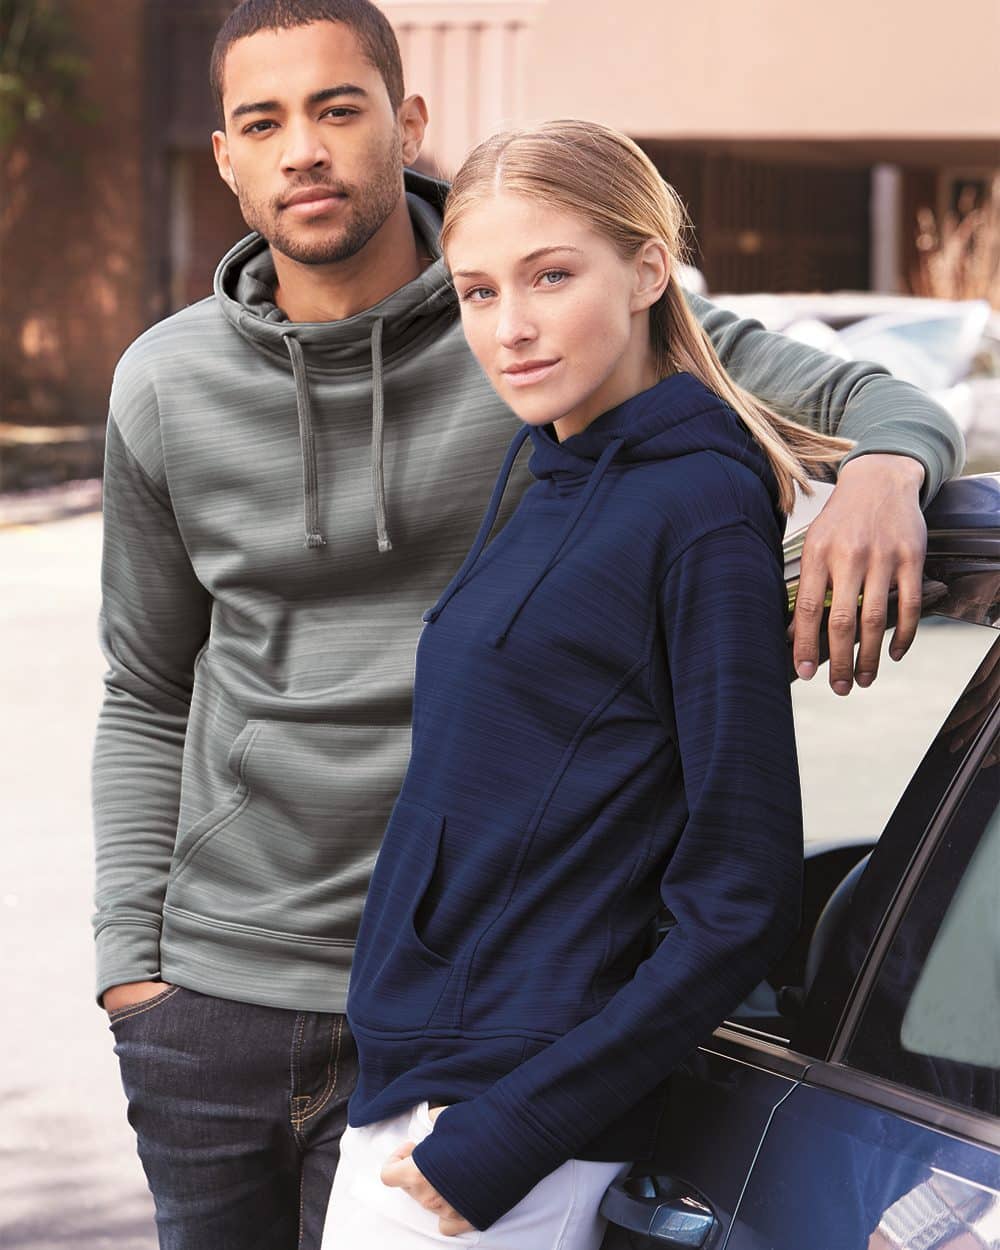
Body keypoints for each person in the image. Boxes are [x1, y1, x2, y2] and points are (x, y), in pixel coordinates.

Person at [91, 2, 964, 1248]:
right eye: (263, 122)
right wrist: (134, 965)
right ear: (224, 156)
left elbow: (852, 394)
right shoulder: (167, 382)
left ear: (407, 124)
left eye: (338, 108)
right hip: (217, 997)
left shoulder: (554, 325)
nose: (305, 150)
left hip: (485, 1012)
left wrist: (886, 471)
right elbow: (144, 686)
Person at [319, 118, 851, 1248]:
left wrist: (513, 1130)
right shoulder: (555, 476)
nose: (509, 327)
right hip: (424, 1090)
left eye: (551, 276)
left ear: (649, 271)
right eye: (477, 291)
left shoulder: (697, 508)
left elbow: (742, 890)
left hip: (505, 1128)